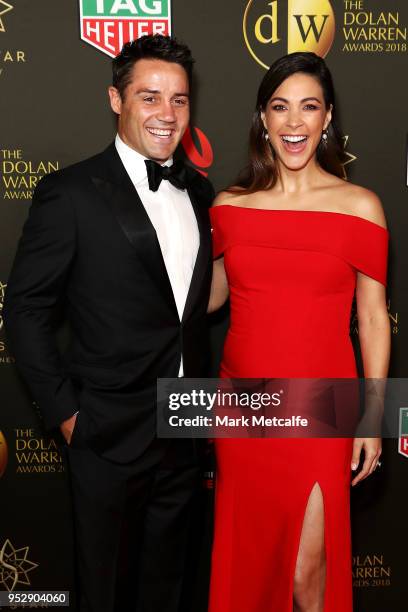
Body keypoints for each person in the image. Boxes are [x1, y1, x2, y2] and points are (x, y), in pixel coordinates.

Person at [3, 35, 214, 612]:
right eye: (149, 97)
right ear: (116, 100)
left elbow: (187, 307)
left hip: (186, 425)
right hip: (106, 431)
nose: (166, 114)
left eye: (179, 99)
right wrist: (68, 413)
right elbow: (23, 311)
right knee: (106, 591)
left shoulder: (198, 191)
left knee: (168, 588)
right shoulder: (70, 193)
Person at [207, 52, 390, 612]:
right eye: (280, 107)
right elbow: (204, 299)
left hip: (322, 408)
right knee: (251, 567)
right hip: (241, 406)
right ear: (262, 117)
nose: (293, 123)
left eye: (308, 107)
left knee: (307, 577)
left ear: (328, 116)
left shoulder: (360, 208)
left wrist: (372, 415)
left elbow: (374, 318)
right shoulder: (229, 206)